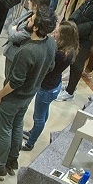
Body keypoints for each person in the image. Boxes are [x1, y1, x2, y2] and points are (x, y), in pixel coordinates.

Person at [0, 11, 57, 181]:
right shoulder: (51, 43)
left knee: (4, 130)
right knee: (17, 125)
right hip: (29, 95)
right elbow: (50, 66)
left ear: (36, 27)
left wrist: (0, 94)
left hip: (14, 97)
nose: (28, 20)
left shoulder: (27, 51)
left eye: (32, 20)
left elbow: (15, 82)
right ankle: (11, 161)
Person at [23, 21, 79, 150]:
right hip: (54, 85)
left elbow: (46, 65)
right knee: (43, 112)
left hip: (46, 87)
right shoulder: (69, 50)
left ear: (64, 36)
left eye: (58, 32)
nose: (55, 32)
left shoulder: (60, 54)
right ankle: (32, 133)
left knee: (38, 117)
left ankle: (30, 143)